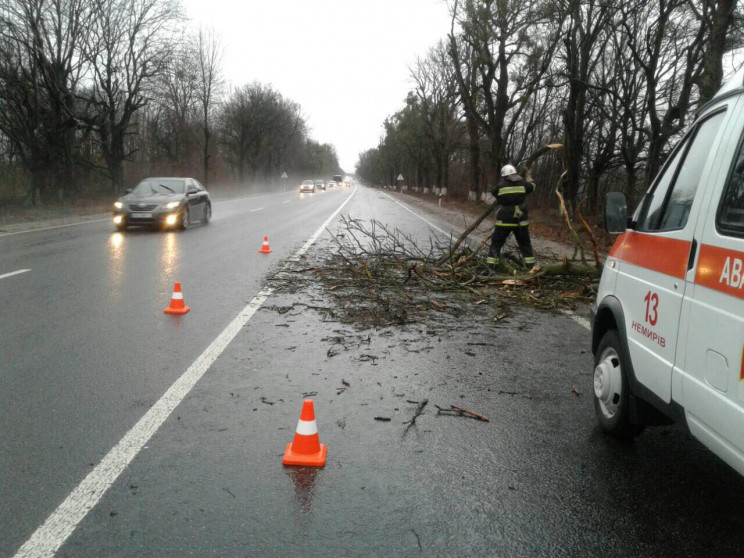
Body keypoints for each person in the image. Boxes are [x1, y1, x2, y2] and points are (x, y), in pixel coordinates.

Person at [486, 164, 537, 269]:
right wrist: (528, 176)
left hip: (504, 221)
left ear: (504, 176)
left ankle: (491, 268)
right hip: (520, 221)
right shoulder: (523, 184)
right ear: (515, 173)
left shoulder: (500, 186)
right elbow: (532, 186)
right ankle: (530, 268)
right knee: (525, 245)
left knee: (496, 244)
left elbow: (491, 196)